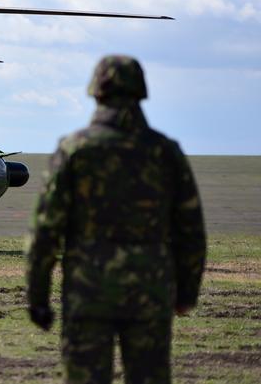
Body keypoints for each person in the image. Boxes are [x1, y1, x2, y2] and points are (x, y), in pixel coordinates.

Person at [26, 55, 207, 384]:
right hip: (149, 292)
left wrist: (38, 297)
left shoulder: (74, 150)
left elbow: (46, 229)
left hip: (88, 291)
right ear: (141, 92)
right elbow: (191, 230)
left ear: (96, 92)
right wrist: (186, 293)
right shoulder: (165, 152)